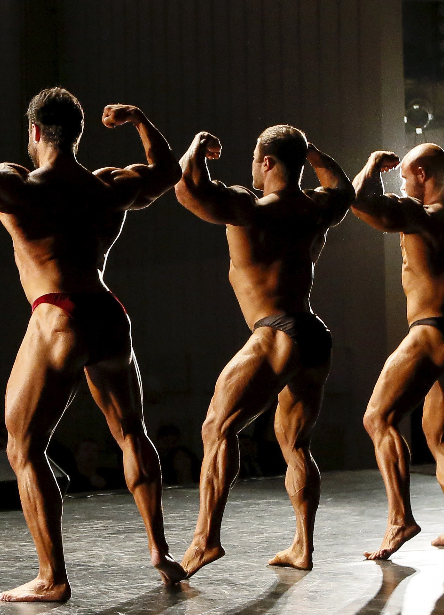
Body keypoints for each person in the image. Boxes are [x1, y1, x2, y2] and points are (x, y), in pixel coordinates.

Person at [0, 89, 185, 601]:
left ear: (34, 132)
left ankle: (52, 577)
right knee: (132, 433)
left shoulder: (19, 185)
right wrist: (140, 119)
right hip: (108, 313)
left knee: (23, 446)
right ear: (77, 133)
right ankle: (160, 552)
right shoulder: (107, 185)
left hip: (58, 312)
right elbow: (167, 172)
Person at [174, 126, 355, 576]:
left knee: (217, 428)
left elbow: (187, 191)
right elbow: (344, 190)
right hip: (313, 333)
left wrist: (196, 148)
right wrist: (313, 154)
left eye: (256, 157)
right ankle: (302, 546)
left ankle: (205, 541)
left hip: (276, 331)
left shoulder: (250, 208)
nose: (252, 165)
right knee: (295, 443)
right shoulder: (316, 208)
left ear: (268, 162)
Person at [352, 144, 444, 560]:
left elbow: (359, 202)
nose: (401, 185)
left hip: (430, 331)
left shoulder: (421, 215)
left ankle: (401, 519)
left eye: (404, 177)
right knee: (441, 437)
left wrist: (371, 165)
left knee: (377, 418)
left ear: (422, 174)